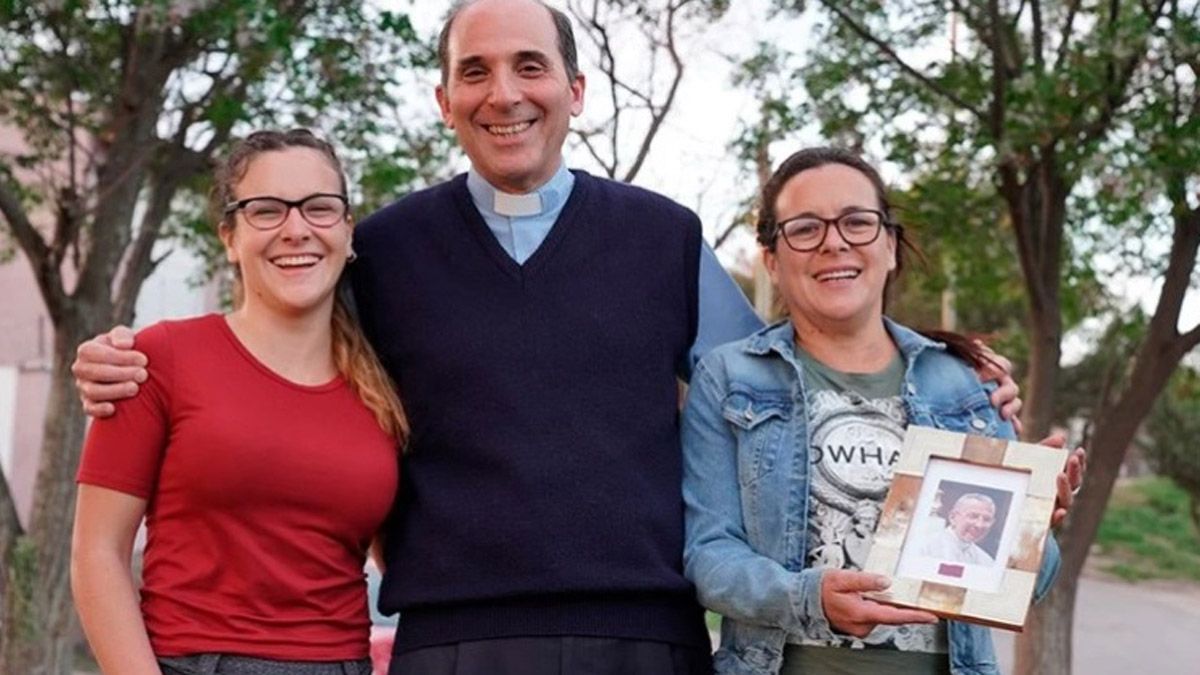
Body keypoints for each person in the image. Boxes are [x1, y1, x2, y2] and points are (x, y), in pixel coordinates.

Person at [71, 3, 1033, 673]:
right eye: (474, 71)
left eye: (531, 65)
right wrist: (125, 357)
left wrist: (949, 373)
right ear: (444, 101)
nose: (505, 92)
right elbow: (279, 356)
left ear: (575, 87)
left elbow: (791, 384)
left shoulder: (663, 237)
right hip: (451, 641)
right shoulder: (383, 251)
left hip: (647, 636)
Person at [680, 147, 1084, 675]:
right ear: (773, 261)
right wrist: (809, 596)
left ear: (890, 245)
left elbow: (1028, 584)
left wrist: (1035, 526)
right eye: (805, 228)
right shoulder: (730, 378)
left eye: (857, 222)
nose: (834, 242)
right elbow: (710, 556)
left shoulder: (965, 381)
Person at [70, 129, 406, 675]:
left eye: (319, 209)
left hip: (344, 664)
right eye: (267, 211)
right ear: (229, 237)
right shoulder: (156, 359)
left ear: (348, 232)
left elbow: (399, 555)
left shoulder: (384, 388)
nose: (296, 230)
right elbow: (97, 555)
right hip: (195, 663)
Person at [919, 493, 998, 566]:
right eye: (973, 516)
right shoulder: (924, 547)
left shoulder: (987, 562)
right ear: (952, 517)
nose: (979, 525)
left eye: (987, 519)